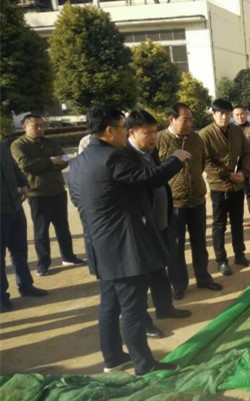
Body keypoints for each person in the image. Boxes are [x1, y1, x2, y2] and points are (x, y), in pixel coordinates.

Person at [69, 105, 189, 375]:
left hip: (99, 245)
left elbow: (77, 200)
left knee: (109, 306)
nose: (125, 133)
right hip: (123, 248)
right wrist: (176, 159)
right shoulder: (112, 158)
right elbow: (148, 178)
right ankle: (144, 365)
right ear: (109, 131)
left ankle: (112, 358)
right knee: (133, 310)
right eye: (123, 128)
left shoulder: (78, 162)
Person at [124, 109, 192, 338]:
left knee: (160, 269)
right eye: (148, 133)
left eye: (155, 132)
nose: (154, 137)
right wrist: (175, 160)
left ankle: (165, 308)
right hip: (142, 228)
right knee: (142, 277)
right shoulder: (125, 157)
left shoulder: (149, 152)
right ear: (132, 133)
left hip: (160, 222)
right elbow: (152, 178)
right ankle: (143, 322)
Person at [156, 103, 222, 300]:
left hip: (197, 200)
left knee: (200, 243)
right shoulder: (159, 140)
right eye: (185, 120)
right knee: (175, 246)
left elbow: (201, 164)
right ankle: (179, 284)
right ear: (171, 120)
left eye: (191, 120)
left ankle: (203, 277)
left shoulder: (196, 138)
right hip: (174, 204)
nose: (189, 124)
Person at [10, 114, 84, 277]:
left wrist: (48, 163)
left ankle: (68, 256)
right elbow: (26, 165)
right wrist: (51, 161)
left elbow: (65, 159)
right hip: (38, 193)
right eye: (35, 126)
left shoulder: (50, 142)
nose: (40, 128)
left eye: (42, 125)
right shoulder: (18, 145)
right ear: (25, 127)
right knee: (41, 230)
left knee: (63, 227)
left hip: (57, 190)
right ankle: (43, 263)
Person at [199, 99, 250, 276]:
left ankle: (240, 255)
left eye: (227, 113)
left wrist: (243, 172)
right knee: (219, 225)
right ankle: (222, 260)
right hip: (219, 186)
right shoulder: (205, 135)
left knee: (237, 222)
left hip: (237, 185)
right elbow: (206, 161)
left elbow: (248, 153)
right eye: (221, 113)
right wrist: (226, 175)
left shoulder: (237, 131)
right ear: (213, 114)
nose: (224, 117)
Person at [1, 141, 48, 313]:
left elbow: (14, 167)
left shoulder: (1, 145)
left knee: (19, 249)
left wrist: (23, 184)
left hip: (14, 205)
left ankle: (26, 285)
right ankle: (1, 297)